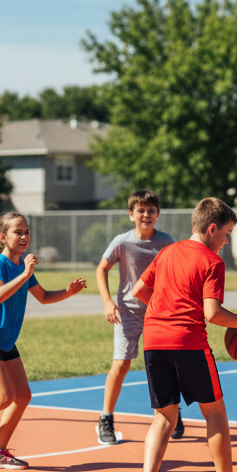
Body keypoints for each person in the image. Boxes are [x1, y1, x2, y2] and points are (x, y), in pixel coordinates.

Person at [128, 197, 237, 472]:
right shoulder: (212, 261)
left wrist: (167, 308)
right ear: (212, 228)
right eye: (227, 233)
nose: (227, 240)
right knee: (215, 414)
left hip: (153, 340)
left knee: (164, 417)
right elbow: (212, 313)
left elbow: (139, 291)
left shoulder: (166, 252)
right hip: (187, 342)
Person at [0, 212, 87, 469]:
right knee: (4, 397)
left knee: (22, 396)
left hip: (6, 341)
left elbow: (43, 297)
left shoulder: (22, 266)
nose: (24, 236)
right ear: (2, 237)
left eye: (27, 232)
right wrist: (25, 273)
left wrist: (69, 291)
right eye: (17, 232)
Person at [95, 189, 176, 445]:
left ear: (158, 214)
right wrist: (107, 301)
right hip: (128, 311)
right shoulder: (122, 242)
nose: (146, 215)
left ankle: (171, 412)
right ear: (131, 214)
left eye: (151, 211)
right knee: (122, 363)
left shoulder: (166, 242)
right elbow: (101, 269)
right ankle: (106, 417)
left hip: (158, 311)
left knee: (166, 363)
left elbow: (175, 272)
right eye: (141, 210)